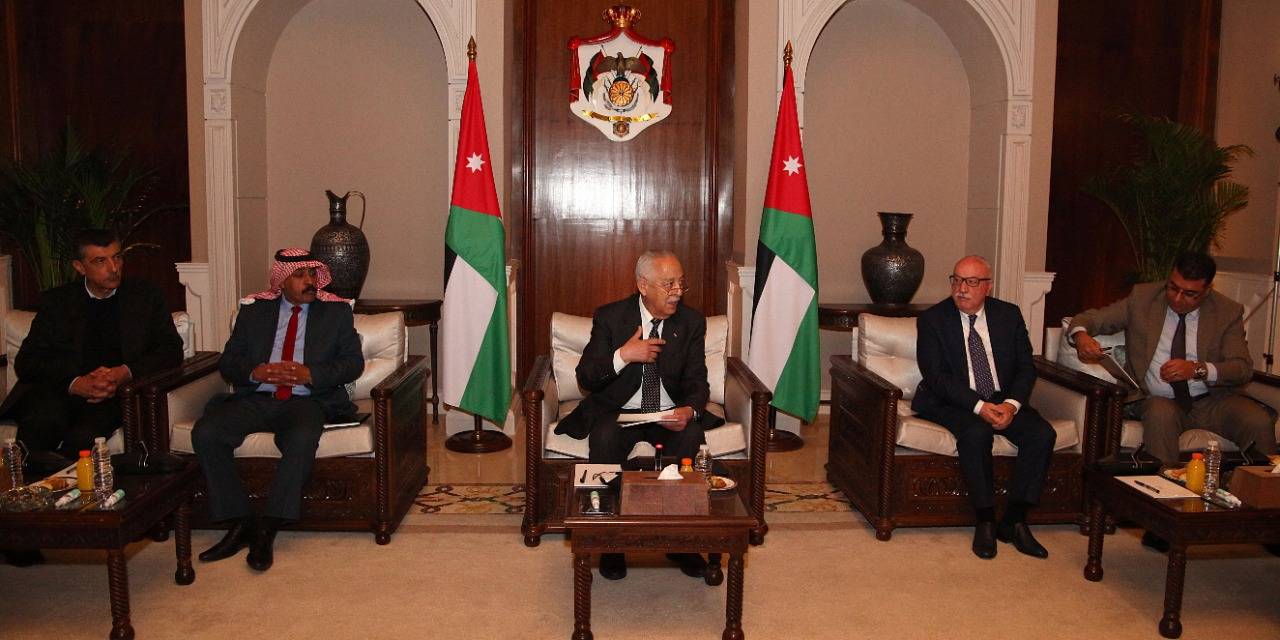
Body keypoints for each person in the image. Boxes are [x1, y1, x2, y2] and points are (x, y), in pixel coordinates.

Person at [1068, 252, 1278, 552]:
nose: (1178, 298)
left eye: (1189, 294)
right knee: (1160, 413)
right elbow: (1088, 319)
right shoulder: (1143, 298)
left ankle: (1268, 516)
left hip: (1212, 399)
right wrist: (1081, 336)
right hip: (1160, 398)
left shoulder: (1226, 311)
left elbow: (1242, 368)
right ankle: (1163, 518)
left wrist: (1198, 369)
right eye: (1173, 288)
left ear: (1207, 290)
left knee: (1257, 421)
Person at [0, 228, 184, 567]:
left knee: (82, 440)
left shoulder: (145, 296)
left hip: (115, 394)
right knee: (38, 430)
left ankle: (76, 524)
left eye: (117, 258)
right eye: (100, 261)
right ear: (79, 267)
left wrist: (122, 373)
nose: (113, 268)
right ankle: (22, 530)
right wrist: (76, 382)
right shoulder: (57, 302)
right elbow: (28, 362)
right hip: (62, 390)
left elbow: (170, 350)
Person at [555, 250, 724, 580]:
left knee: (691, 433)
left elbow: (697, 379)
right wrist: (623, 355)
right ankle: (611, 543)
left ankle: (682, 542)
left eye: (681, 283)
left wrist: (689, 410)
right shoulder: (610, 317)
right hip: (619, 412)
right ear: (643, 285)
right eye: (668, 284)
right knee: (604, 437)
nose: (677, 291)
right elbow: (586, 377)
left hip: (666, 413)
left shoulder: (690, 322)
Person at [192, 249, 363, 572]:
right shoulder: (254, 312)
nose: (309, 281)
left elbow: (353, 363)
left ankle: (268, 526)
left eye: (312, 274)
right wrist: (255, 372)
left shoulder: (335, 313)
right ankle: (240, 521)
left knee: (301, 437)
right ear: (281, 282)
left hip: (307, 401)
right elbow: (229, 362)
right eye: (300, 275)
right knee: (207, 432)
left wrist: (310, 374)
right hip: (257, 398)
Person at [913, 255, 1056, 560]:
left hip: (1002, 398)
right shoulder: (933, 319)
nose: (961, 288)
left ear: (987, 287)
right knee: (976, 434)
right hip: (952, 400)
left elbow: (1026, 367)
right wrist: (979, 406)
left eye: (971, 282)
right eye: (957, 280)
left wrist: (1011, 405)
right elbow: (936, 376)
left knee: (1041, 434)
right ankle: (986, 520)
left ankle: (1014, 521)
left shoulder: (1009, 315)